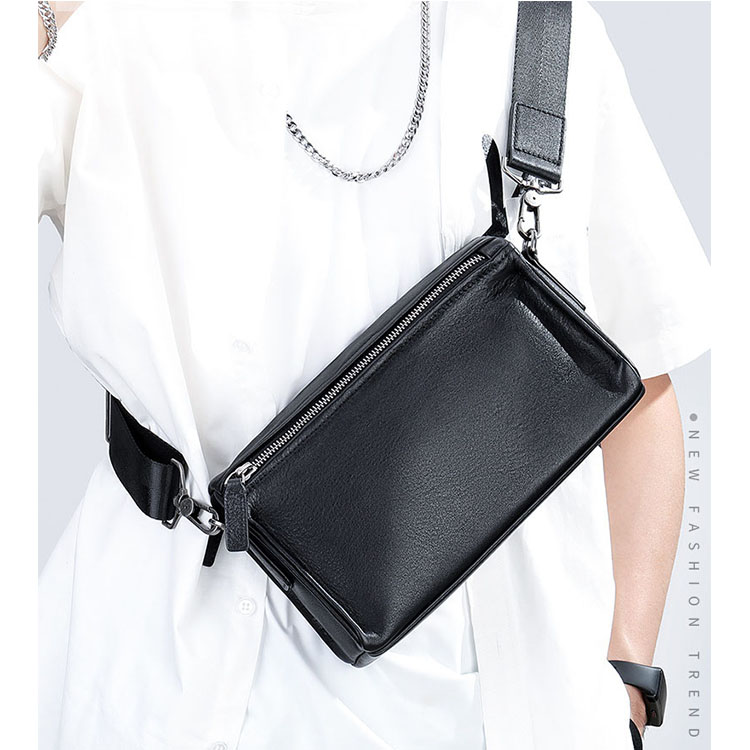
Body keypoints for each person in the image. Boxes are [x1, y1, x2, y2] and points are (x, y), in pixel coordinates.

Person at [38, 2, 710, 749]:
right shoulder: (109, 27)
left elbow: (640, 383)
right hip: (154, 679)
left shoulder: (541, 33)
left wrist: (627, 682)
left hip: (489, 707)